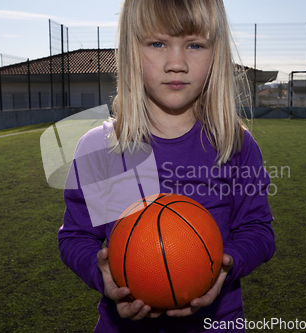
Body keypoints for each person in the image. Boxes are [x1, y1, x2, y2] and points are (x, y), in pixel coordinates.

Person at [58, 0, 276, 331]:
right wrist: (101, 274)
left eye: (195, 44)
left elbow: (258, 230)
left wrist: (226, 265)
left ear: (216, 53)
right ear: (132, 51)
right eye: (157, 43)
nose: (176, 63)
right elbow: (75, 236)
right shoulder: (99, 148)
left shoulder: (235, 145)